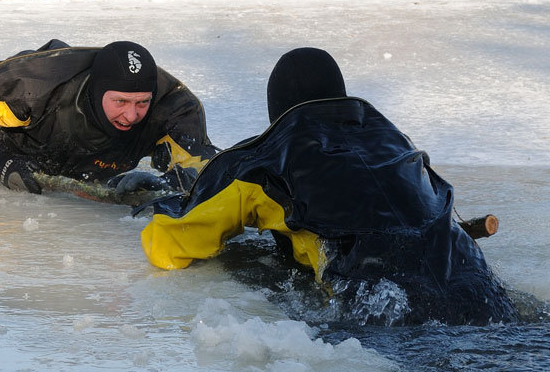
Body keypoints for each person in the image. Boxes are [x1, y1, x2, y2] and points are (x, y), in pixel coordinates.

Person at [139, 47, 518, 325]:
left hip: (385, 306)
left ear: (277, 107)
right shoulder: (394, 140)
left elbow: (172, 245)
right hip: (475, 284)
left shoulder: (259, 162)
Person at [0, 40, 217, 195]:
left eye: (141, 102)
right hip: (6, 122)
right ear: (97, 92)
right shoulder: (32, 89)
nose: (131, 115)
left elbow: (203, 163)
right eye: (121, 101)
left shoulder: (173, 108)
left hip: (62, 137)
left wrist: (170, 185)